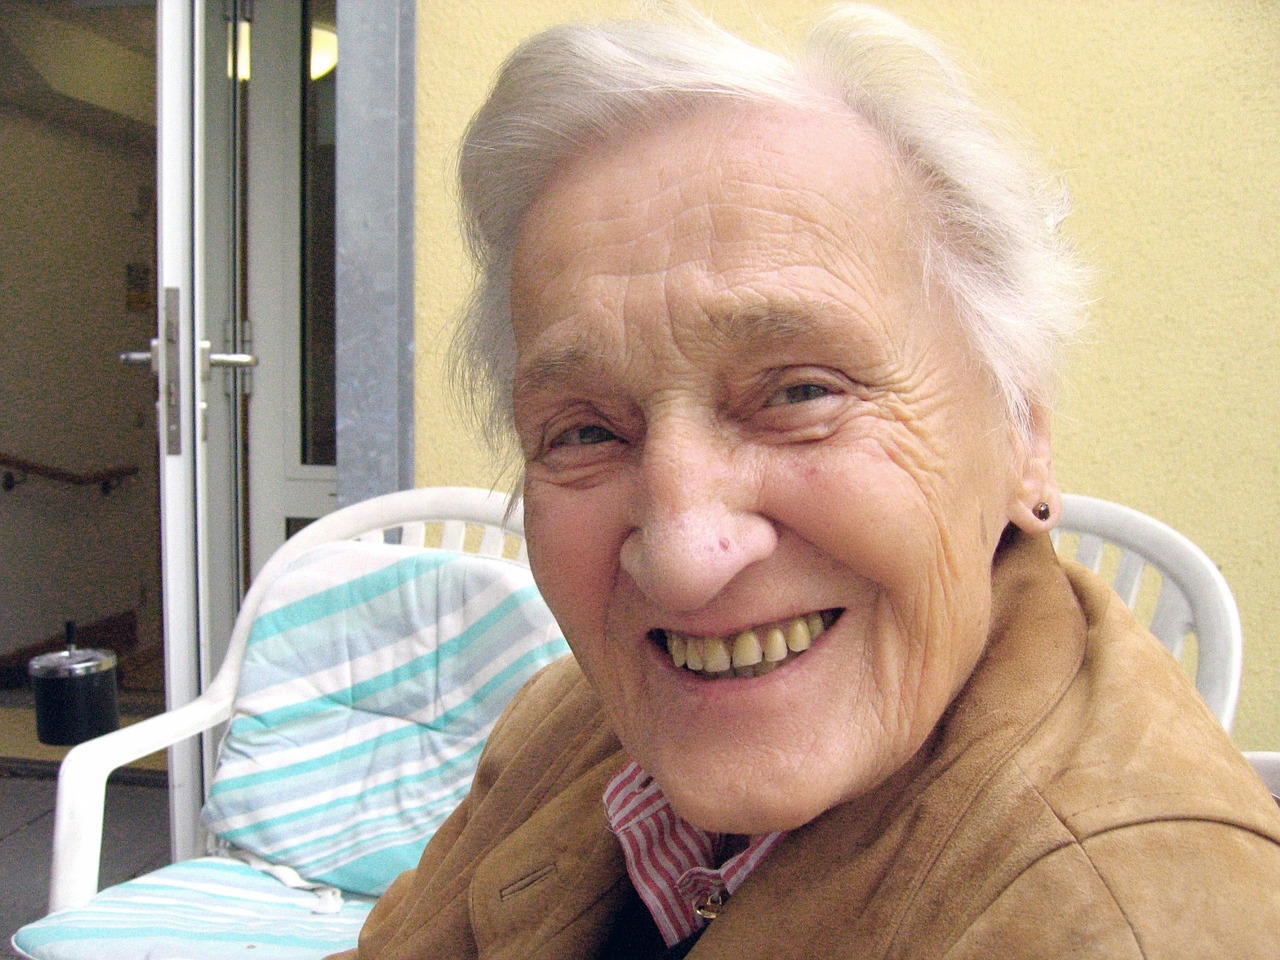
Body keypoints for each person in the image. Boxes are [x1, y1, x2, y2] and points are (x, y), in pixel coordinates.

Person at [338, 6, 1280, 958]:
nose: (683, 560)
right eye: (585, 431)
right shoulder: (572, 723)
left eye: (799, 393)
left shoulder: (1120, 919)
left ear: (1019, 434)